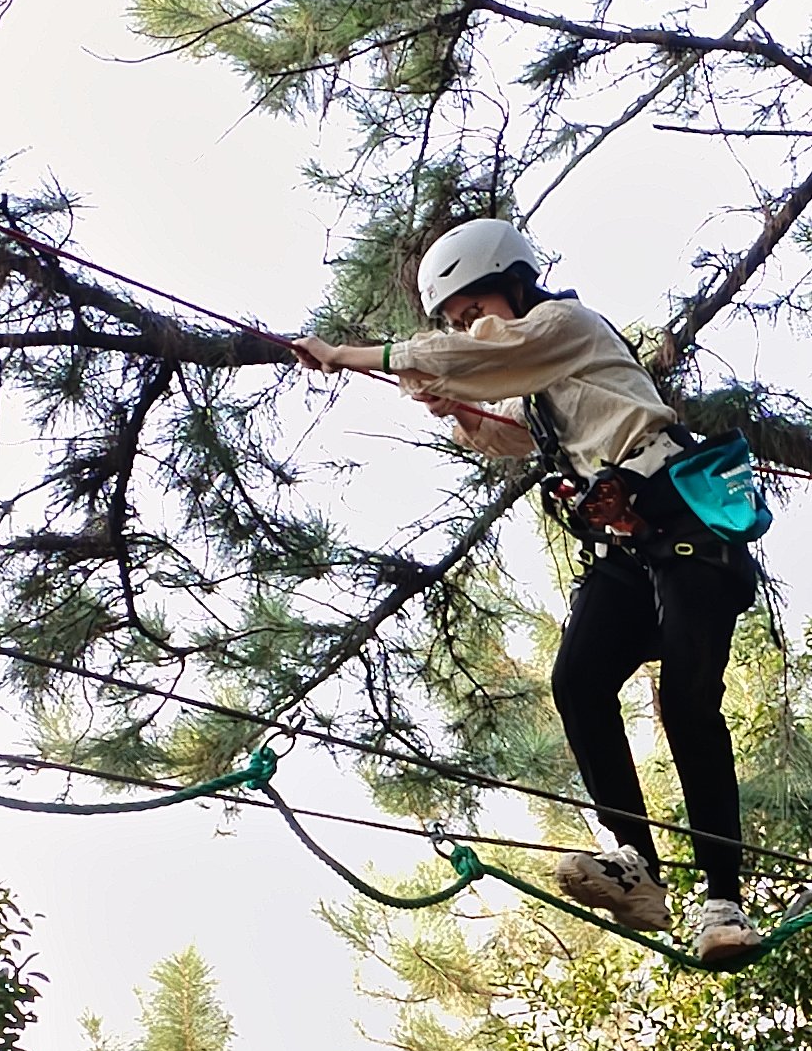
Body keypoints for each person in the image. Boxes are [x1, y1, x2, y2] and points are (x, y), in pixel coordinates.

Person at [293, 219, 762, 966]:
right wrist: (462, 411)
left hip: (683, 525)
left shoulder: (562, 325)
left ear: (512, 284)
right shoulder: (542, 379)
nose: (466, 329)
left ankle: (723, 899)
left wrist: (347, 355)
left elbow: (488, 354)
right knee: (578, 682)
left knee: (687, 699)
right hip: (627, 543)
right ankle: (634, 864)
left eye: (469, 312)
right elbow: (513, 428)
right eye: (453, 323)